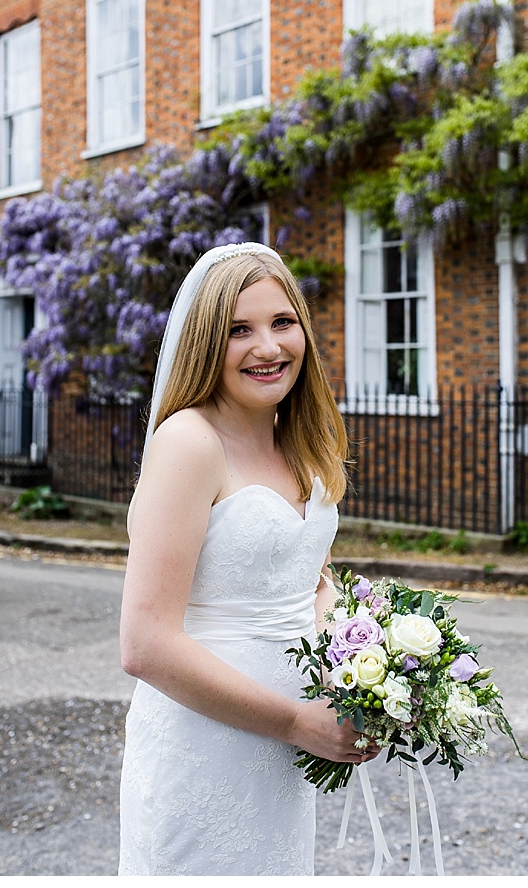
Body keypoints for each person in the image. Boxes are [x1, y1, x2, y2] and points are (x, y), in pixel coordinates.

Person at [118, 243, 376, 874]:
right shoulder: (189, 442)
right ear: (207, 343)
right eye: (239, 330)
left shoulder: (301, 441)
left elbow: (306, 578)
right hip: (206, 746)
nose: (268, 347)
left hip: (286, 761)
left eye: (281, 323)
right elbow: (145, 642)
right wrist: (294, 722)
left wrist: (367, 658)